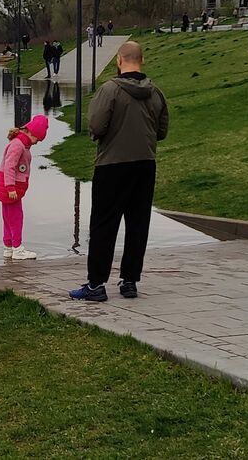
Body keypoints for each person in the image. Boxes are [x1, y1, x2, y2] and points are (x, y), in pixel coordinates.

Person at [69, 41, 169, 302]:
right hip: (145, 164)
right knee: (138, 223)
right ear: (142, 60)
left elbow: (97, 126)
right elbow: (162, 131)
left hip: (112, 165)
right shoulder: (156, 93)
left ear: (119, 60)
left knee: (104, 223)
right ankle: (129, 281)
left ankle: (96, 285)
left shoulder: (110, 90)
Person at [0, 115, 49, 260]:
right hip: (11, 187)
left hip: (9, 186)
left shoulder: (21, 144)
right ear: (31, 132)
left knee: (8, 217)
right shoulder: (18, 145)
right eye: (37, 139)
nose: (36, 143)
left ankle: (8, 247)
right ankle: (17, 248)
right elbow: (9, 166)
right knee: (16, 217)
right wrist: (11, 188)